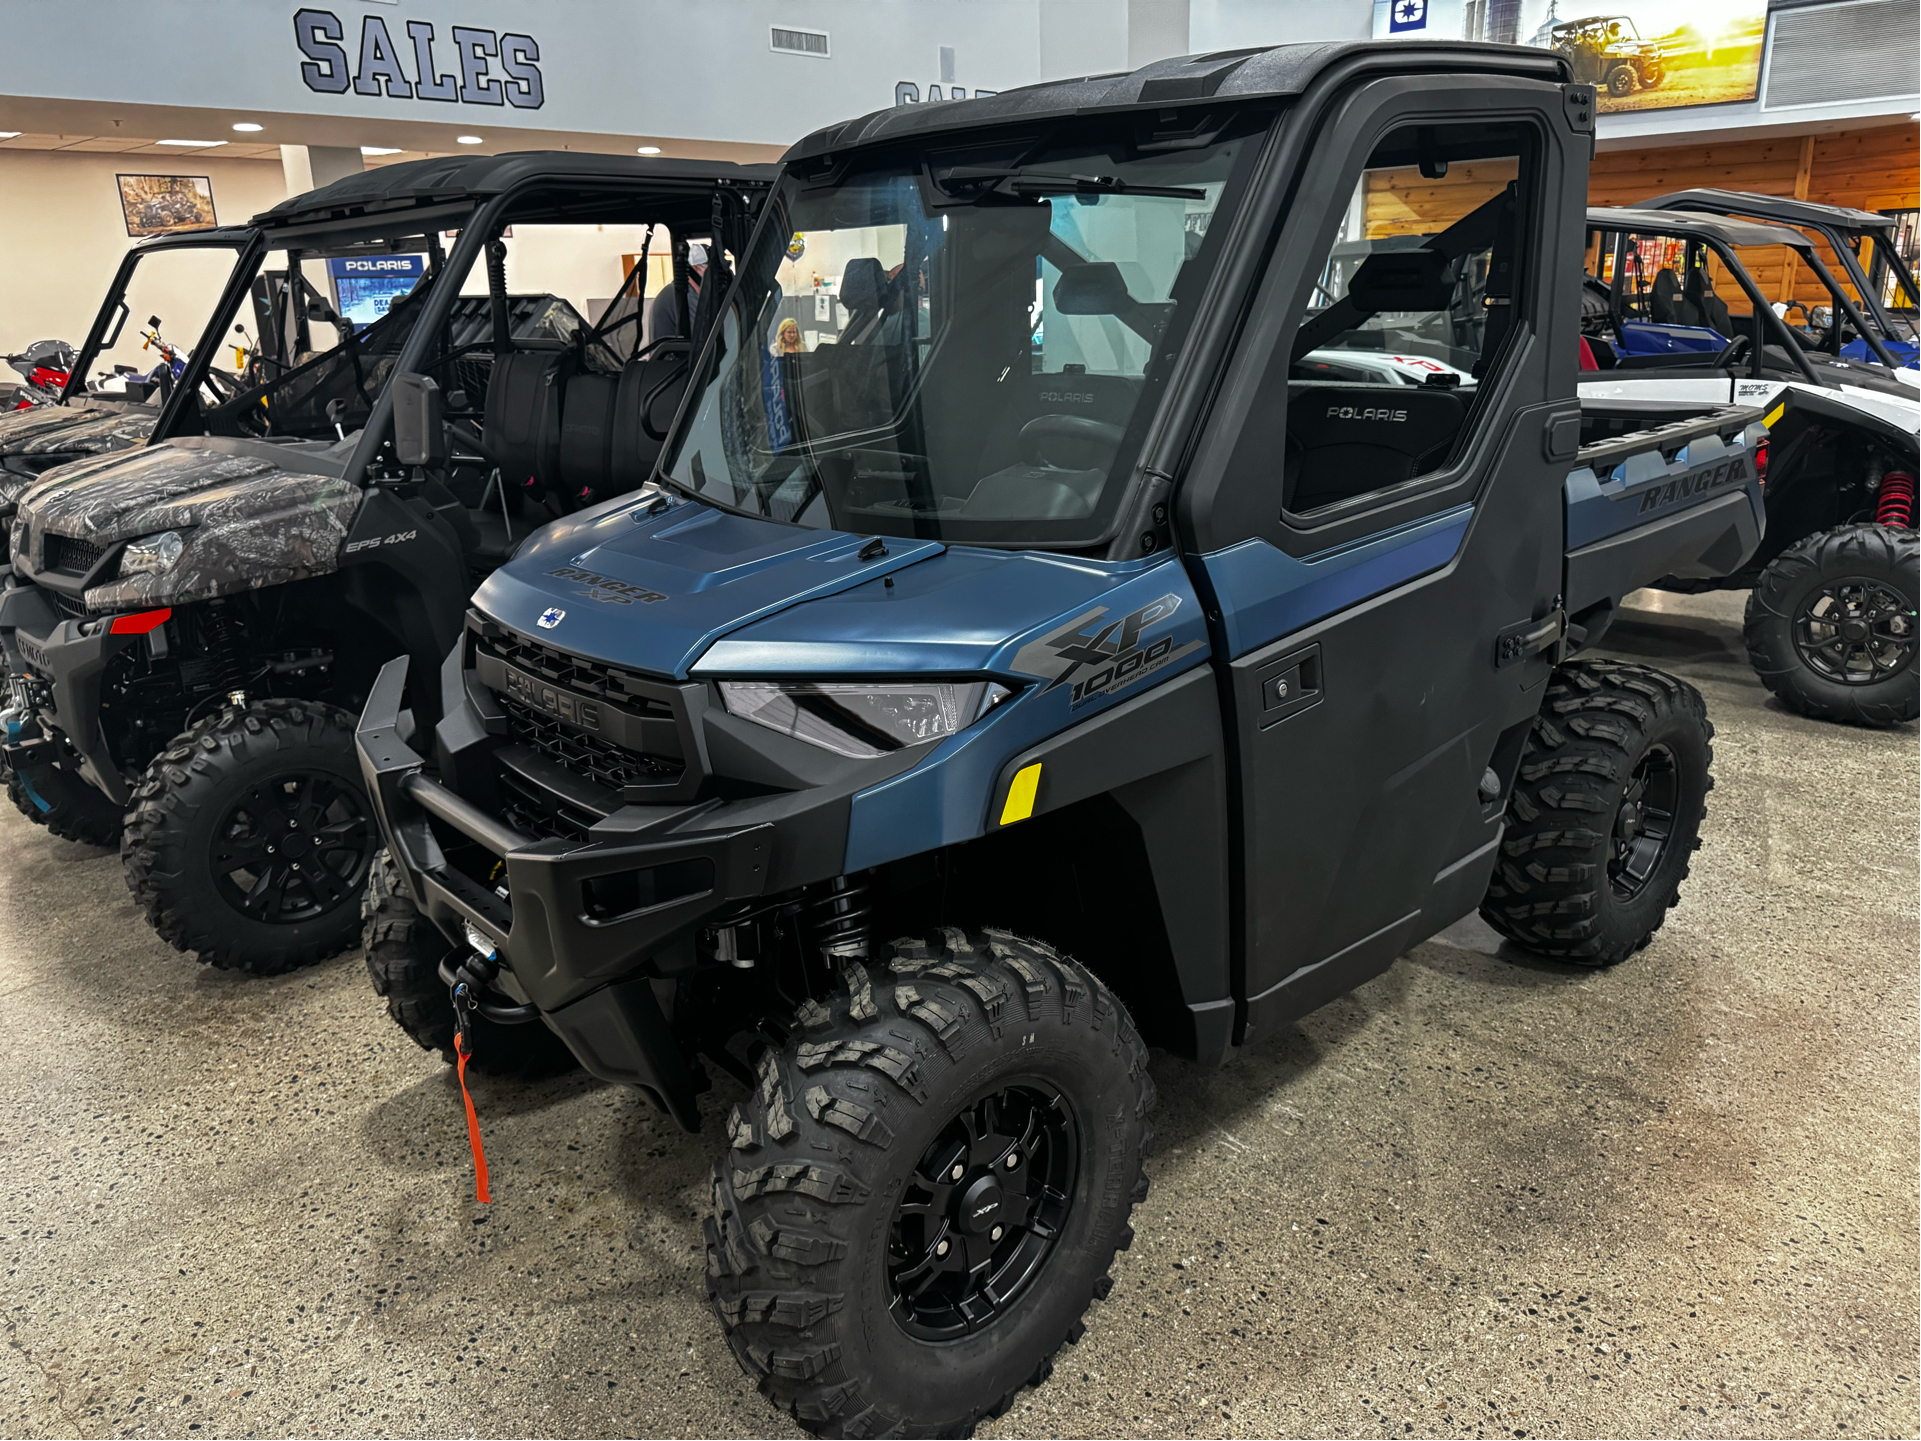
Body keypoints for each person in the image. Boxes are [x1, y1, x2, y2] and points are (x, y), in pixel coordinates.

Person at [644, 241, 707, 346]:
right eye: (709, 271)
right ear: (695, 268)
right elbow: (702, 337)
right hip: (675, 360)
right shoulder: (684, 296)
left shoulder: (682, 292)